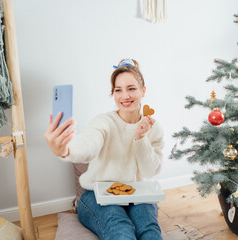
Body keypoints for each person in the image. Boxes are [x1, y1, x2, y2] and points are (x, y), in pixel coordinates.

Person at [44, 58, 164, 240]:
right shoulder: (104, 122)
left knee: (149, 231)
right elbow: (88, 145)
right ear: (113, 93)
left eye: (131, 88)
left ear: (143, 90)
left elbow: (150, 170)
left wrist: (140, 138)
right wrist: (64, 150)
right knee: (120, 230)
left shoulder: (153, 127)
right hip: (97, 195)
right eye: (118, 90)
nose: (125, 96)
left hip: (139, 192)